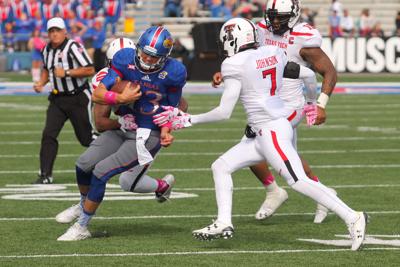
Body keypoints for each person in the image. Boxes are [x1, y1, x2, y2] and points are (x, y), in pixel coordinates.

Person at [155, 17, 367, 251]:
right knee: (221, 166)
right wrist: (309, 102)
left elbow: (224, 112)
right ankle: (223, 222)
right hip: (267, 127)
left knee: (297, 181)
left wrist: (187, 119)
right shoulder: (272, 51)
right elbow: (307, 75)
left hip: (271, 129)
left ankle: (353, 216)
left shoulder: (233, 63)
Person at [212, 0, 339, 224]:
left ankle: (274, 191)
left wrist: (319, 103)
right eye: (273, 15)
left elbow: (329, 72)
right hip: (267, 100)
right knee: (284, 156)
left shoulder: (303, 37)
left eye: (281, 16)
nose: (276, 21)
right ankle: (322, 194)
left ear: (294, 14)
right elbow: (245, 57)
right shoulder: (259, 30)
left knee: (253, 144)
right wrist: (227, 74)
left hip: (290, 106)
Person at [56, 26, 187, 241]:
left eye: (155, 57)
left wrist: (166, 130)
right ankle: (82, 205)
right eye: (144, 53)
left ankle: (82, 227)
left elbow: (176, 105)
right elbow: (99, 107)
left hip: (146, 133)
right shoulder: (122, 62)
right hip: (123, 128)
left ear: (165, 58)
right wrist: (120, 100)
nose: (148, 60)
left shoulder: (173, 72)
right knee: (83, 164)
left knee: (104, 173)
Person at [33, 17, 95, 184]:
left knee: (86, 139)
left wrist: (67, 73)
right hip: (57, 99)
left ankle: (107, 159)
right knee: (48, 135)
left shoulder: (73, 47)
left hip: (78, 98)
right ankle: (45, 175)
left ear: (64, 31)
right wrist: (41, 82)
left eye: (57, 31)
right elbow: (47, 69)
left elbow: (90, 69)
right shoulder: (46, 50)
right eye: (51, 31)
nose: (54, 34)